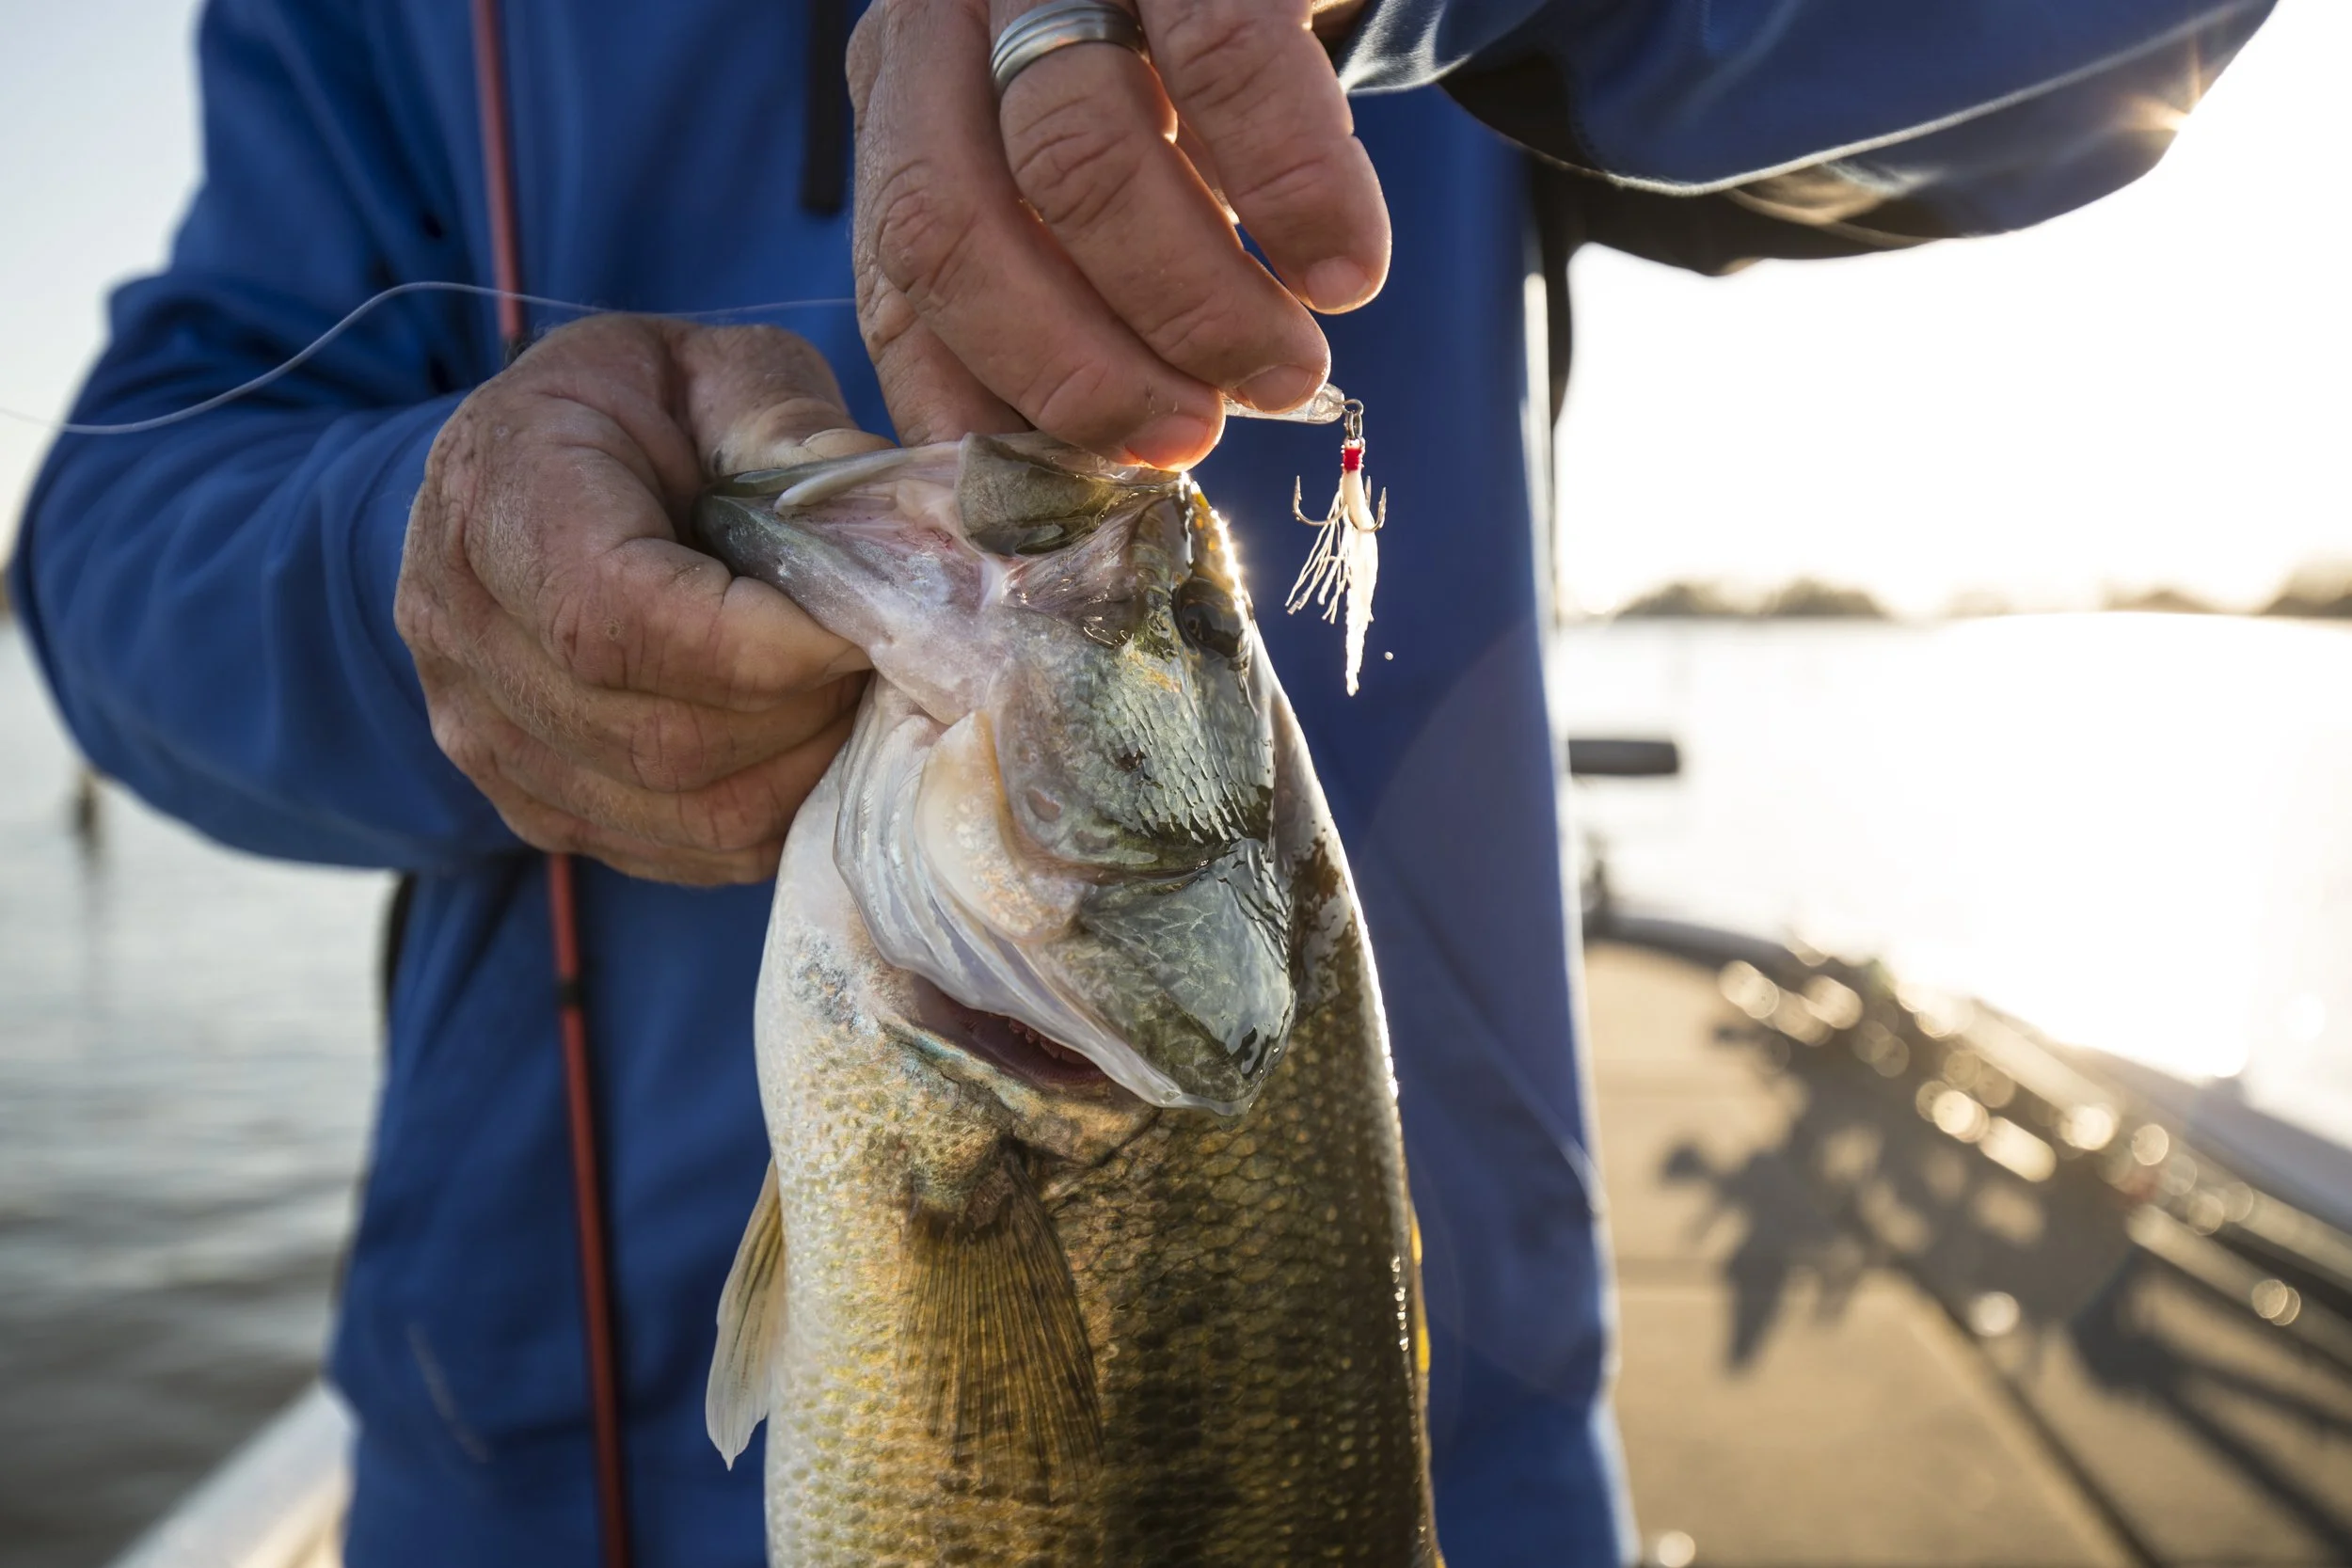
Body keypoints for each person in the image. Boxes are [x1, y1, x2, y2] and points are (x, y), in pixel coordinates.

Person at [8, 0, 2269, 1561]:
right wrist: (399, 550)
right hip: (516, 1477)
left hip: (1406, 1468)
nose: (1109, 550)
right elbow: (114, 537)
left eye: (1156, 615)